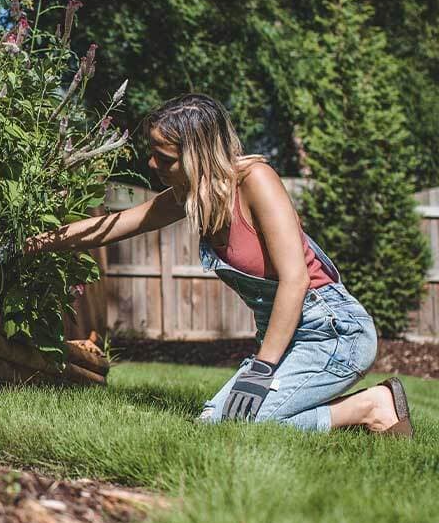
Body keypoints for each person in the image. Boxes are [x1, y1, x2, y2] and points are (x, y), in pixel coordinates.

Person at [25, 93, 413, 437]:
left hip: (333, 334)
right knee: (215, 423)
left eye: (165, 157)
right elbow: (112, 226)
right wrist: (36, 244)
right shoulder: (189, 196)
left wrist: (262, 370)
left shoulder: (256, 181)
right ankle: (356, 408)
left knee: (248, 427)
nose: (152, 163)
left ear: (198, 155)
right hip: (285, 338)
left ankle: (371, 405)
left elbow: (295, 280)